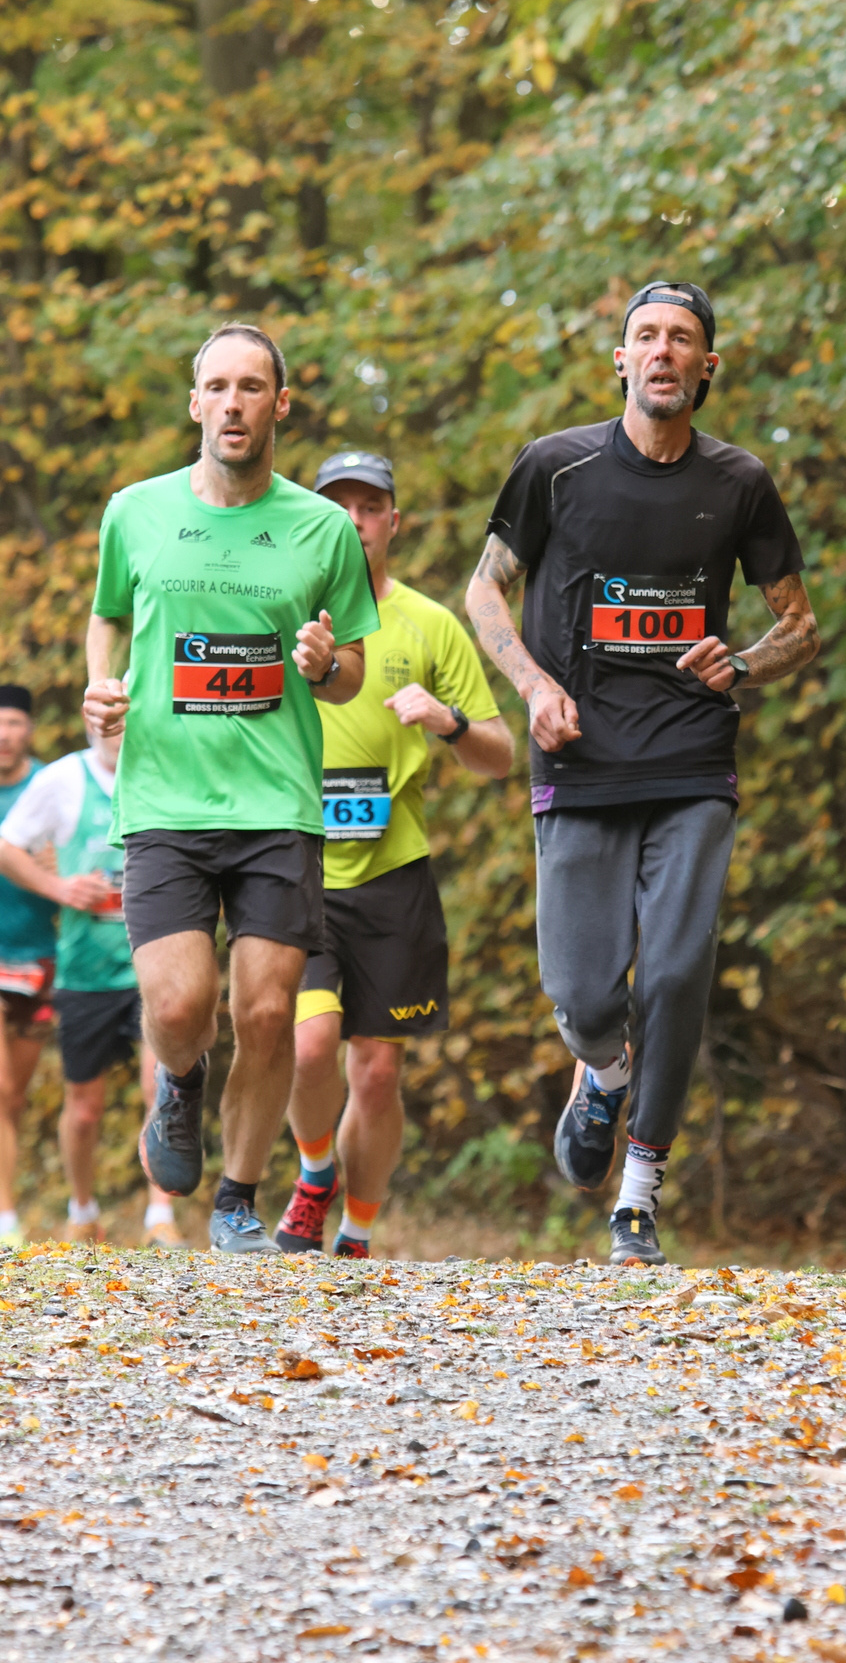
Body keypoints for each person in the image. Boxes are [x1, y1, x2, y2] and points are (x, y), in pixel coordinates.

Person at [466, 281, 820, 1265]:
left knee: (673, 974)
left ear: (707, 366)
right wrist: (533, 686)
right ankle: (603, 1074)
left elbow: (800, 625)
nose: (663, 351)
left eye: (682, 339)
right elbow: (484, 591)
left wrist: (741, 663)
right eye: (646, 337)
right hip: (578, 755)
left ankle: (638, 1197)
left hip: (691, 758)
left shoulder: (739, 481)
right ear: (620, 361)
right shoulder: (555, 467)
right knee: (582, 995)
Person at [83, 322, 380, 1256]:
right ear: (195, 404)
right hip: (164, 799)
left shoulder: (323, 528)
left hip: (277, 804)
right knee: (180, 1008)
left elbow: (352, 671)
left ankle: (238, 1200)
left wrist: (326, 665)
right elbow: (107, 616)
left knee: (267, 1013)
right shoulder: (135, 512)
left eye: (252, 387)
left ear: (280, 404)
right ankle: (179, 1084)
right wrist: (100, 687)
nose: (233, 403)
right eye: (217, 386)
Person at [274, 452, 513, 1259]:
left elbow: (499, 755)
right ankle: (315, 1173)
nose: (353, 521)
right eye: (336, 506)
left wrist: (448, 721)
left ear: (393, 522)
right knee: (310, 1045)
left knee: (376, 1073)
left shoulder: (431, 624)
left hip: (392, 873)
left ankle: (357, 1236)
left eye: (369, 506)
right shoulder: (284, 614)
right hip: (299, 867)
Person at [0, 710, 185, 1247]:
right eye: (106, 721)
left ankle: (160, 1219)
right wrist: (58, 888)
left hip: (156, 963)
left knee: (161, 1089)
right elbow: (7, 845)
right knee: (84, 1109)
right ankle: (83, 1210)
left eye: (126, 720)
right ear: (88, 723)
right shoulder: (61, 779)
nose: (115, 731)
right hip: (85, 970)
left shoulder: (169, 770)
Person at [0, 686, 58, 1250]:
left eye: (14, 722)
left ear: (30, 730)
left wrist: (57, 867)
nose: (3, 734)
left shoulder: (50, 786)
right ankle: (6, 1215)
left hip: (40, 956)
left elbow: (91, 854)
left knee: (13, 1096)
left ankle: (8, 1204)